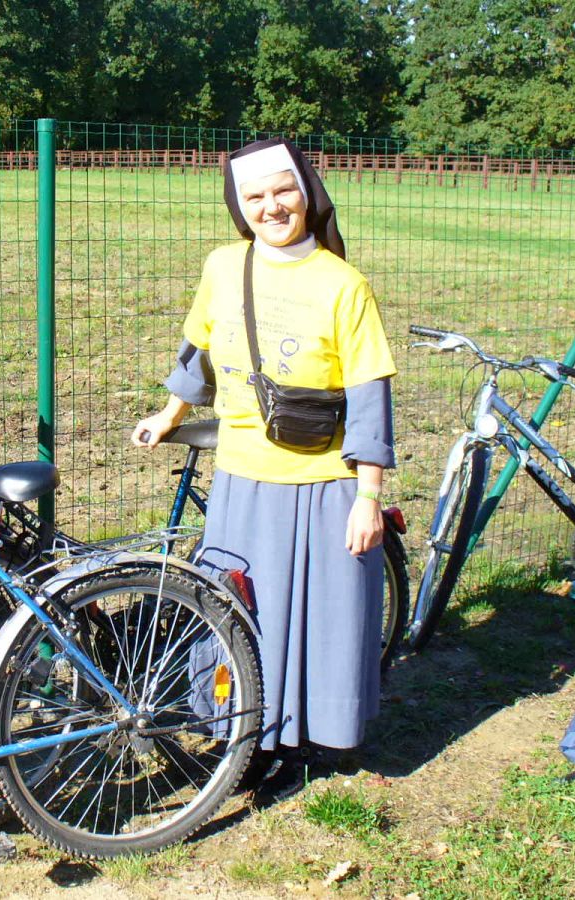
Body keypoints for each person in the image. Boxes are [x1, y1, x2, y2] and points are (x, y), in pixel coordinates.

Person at [131, 137, 396, 796]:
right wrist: (169, 413)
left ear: (306, 194)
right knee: (240, 615)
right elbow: (199, 349)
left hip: (323, 483)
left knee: (319, 619)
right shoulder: (223, 266)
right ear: (239, 204)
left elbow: (369, 394)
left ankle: (303, 741)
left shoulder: (344, 284)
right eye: (255, 196)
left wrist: (369, 496)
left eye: (283, 192)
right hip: (243, 478)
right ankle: (241, 732)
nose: (271, 207)